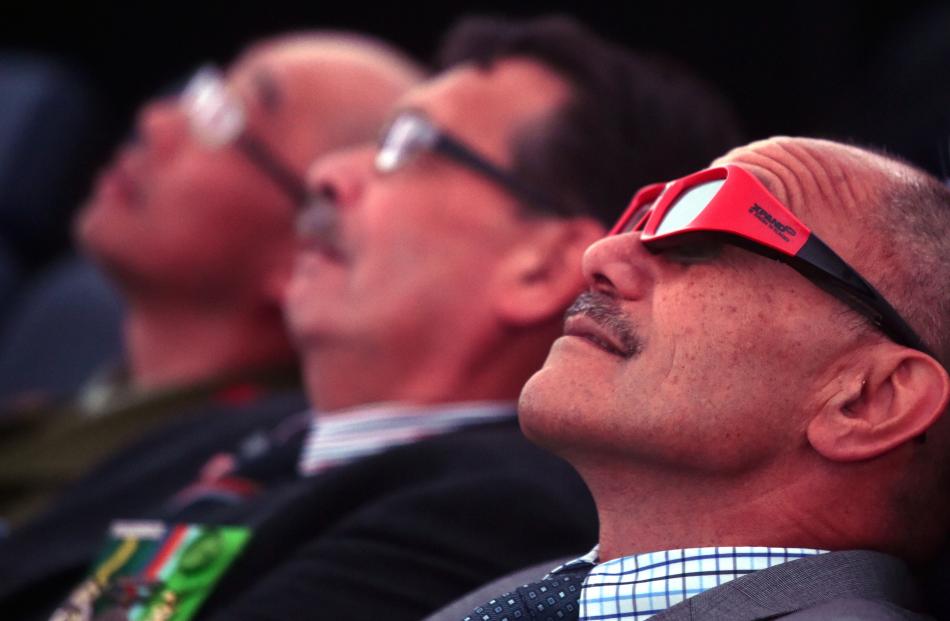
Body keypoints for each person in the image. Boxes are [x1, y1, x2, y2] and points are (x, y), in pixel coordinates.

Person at [0, 15, 743, 621]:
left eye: (406, 147)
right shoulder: (240, 435)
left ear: (543, 266)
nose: (329, 176)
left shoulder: (495, 514)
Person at [445, 136, 950, 621]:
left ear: (869, 399)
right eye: (640, 222)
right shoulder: (509, 598)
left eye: (698, 240)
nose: (598, 256)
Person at [0, 32, 425, 526]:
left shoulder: (222, 491)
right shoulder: (76, 396)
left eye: (226, 120)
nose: (156, 122)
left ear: (314, 244)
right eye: (207, 92)